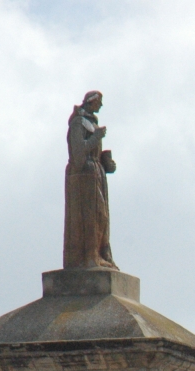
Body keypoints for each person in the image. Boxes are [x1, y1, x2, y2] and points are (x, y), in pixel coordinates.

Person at [63, 90, 117, 270]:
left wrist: (104, 161)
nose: (100, 105)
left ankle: (102, 254)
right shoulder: (78, 123)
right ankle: (90, 257)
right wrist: (96, 137)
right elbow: (78, 153)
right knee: (91, 216)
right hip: (84, 175)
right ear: (91, 102)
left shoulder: (90, 122)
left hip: (96, 173)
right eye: (99, 102)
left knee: (102, 217)